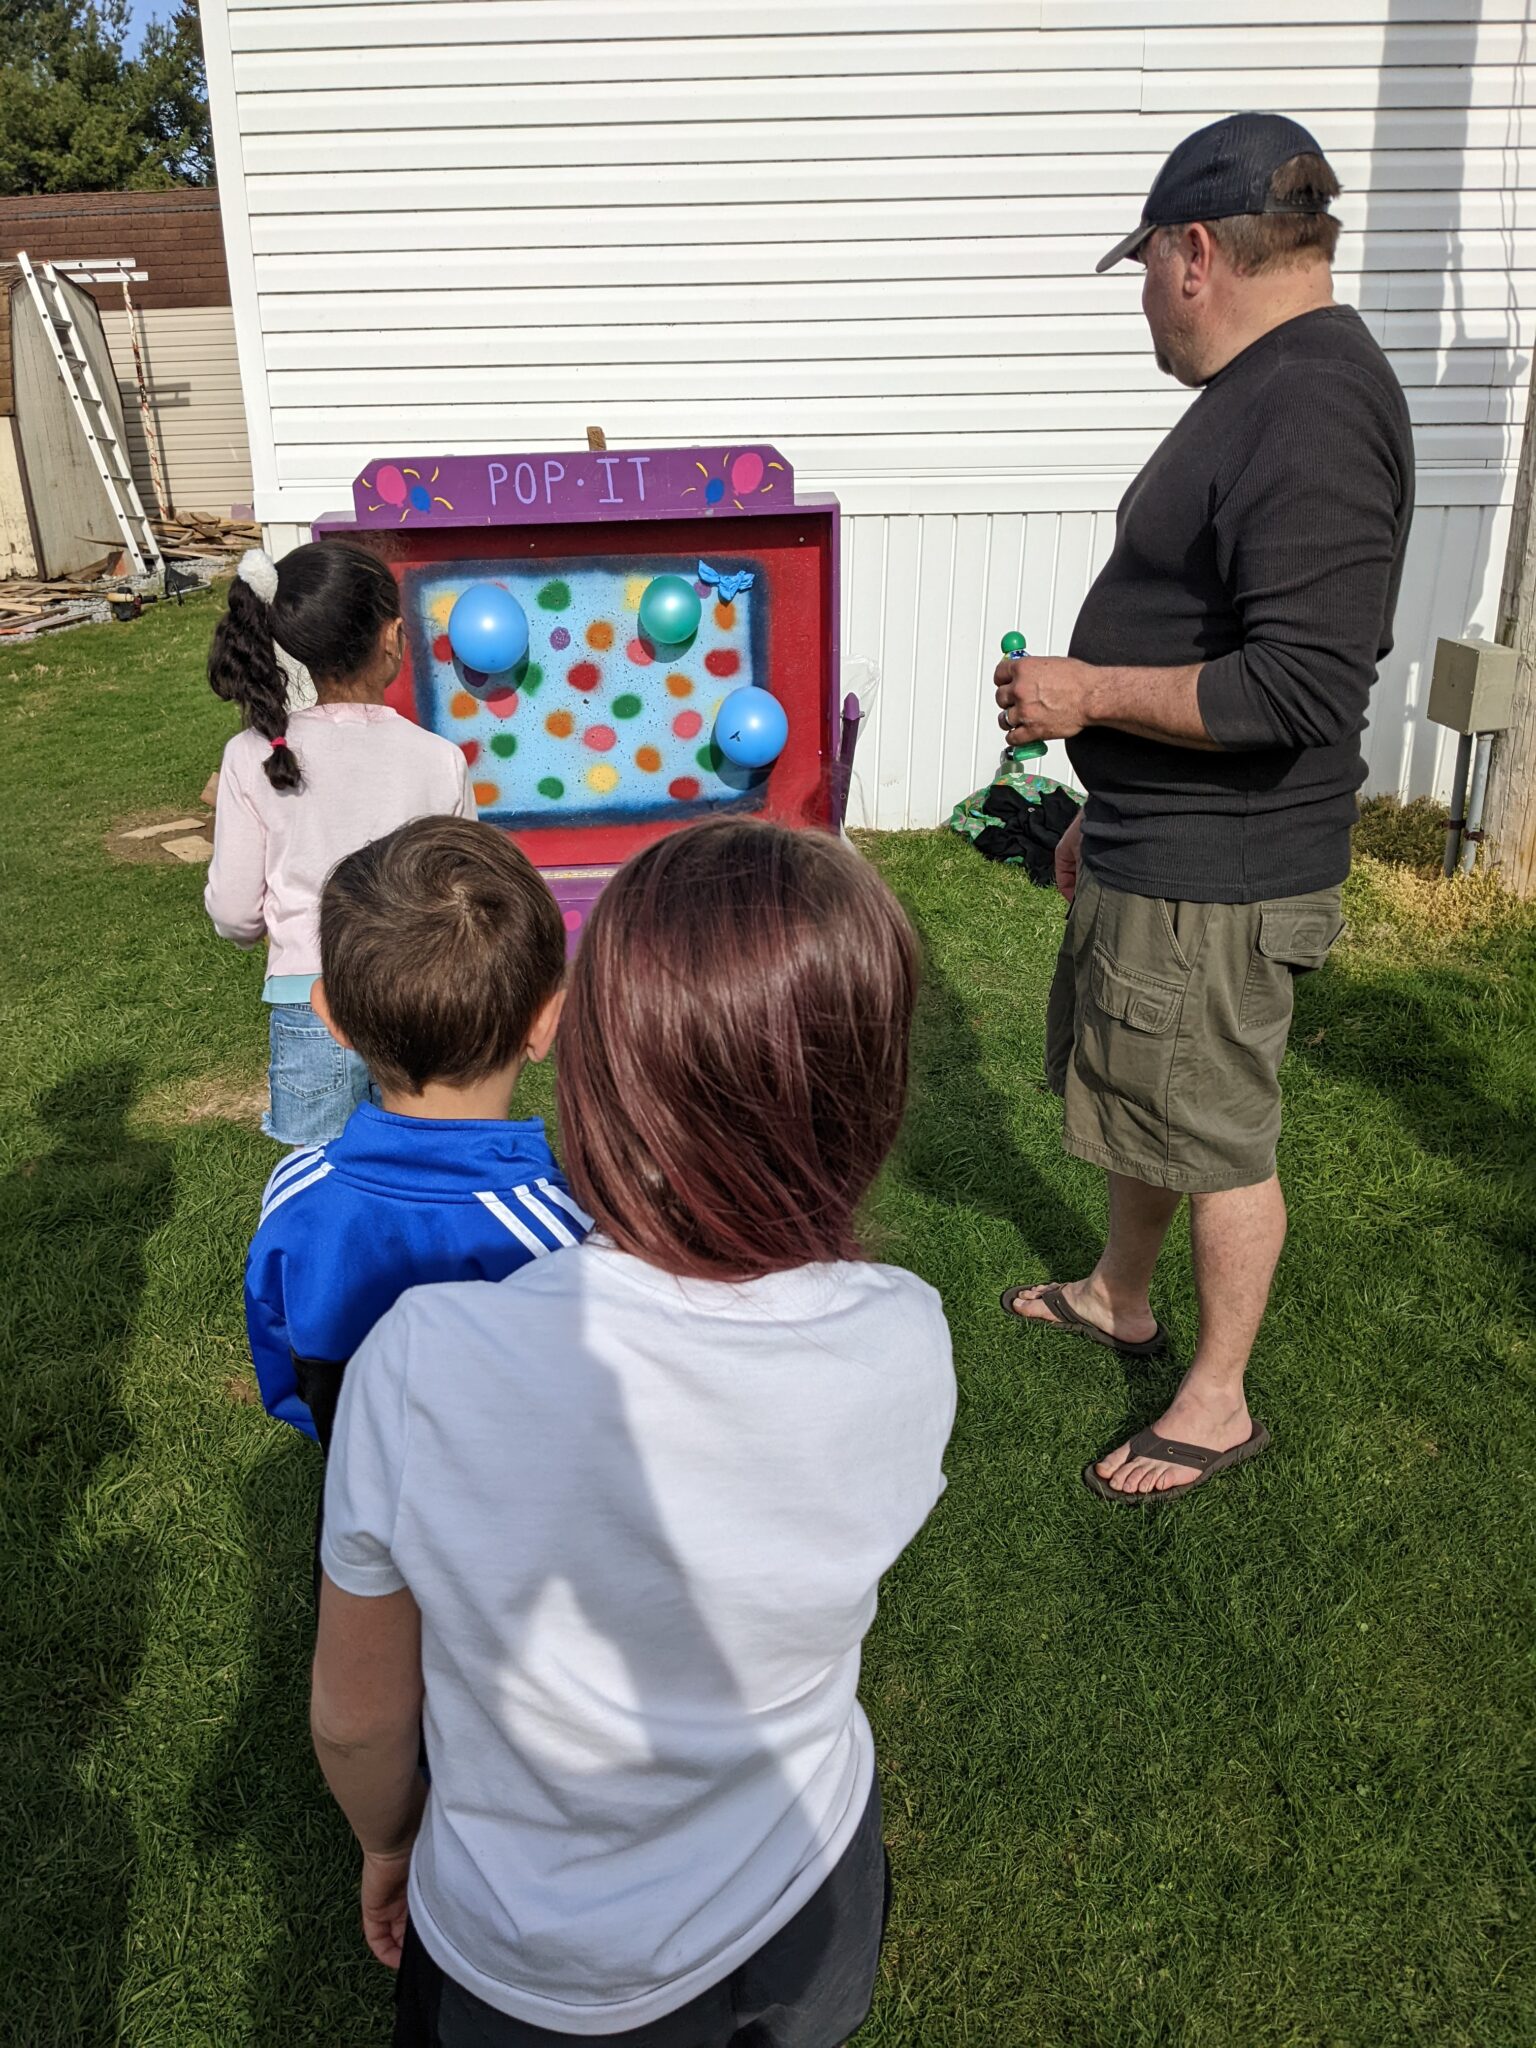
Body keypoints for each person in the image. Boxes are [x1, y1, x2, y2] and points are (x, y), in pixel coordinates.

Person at [310, 818, 956, 2048]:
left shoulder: (424, 1363)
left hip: (530, 1955)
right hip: (807, 1887)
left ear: (598, 1056)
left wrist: (390, 1837)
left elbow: (356, 1713)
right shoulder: (909, 1334)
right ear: (867, 1082)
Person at [992, 114, 1414, 1501]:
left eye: (1143, 273)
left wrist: (1087, 700)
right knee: (1145, 1096)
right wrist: (1100, 811)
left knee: (1216, 1129)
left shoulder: (1314, 404)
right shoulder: (1276, 388)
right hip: (1164, 844)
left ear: (1192, 252)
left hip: (1225, 878)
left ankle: (1218, 1402)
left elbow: (1297, 685)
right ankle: (1123, 1293)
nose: (1148, 311)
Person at [244, 815, 581, 1454]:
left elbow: (287, 1379)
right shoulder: (570, 1239)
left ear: (331, 1019)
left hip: (352, 1517)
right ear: (546, 1021)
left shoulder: (293, 1195)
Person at [204, 541, 476, 1147]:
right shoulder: (441, 761)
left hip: (309, 1005)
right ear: (394, 637)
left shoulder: (251, 755)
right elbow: (471, 903)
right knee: (420, 1173)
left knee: (314, 1186)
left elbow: (233, 912)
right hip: (417, 1005)